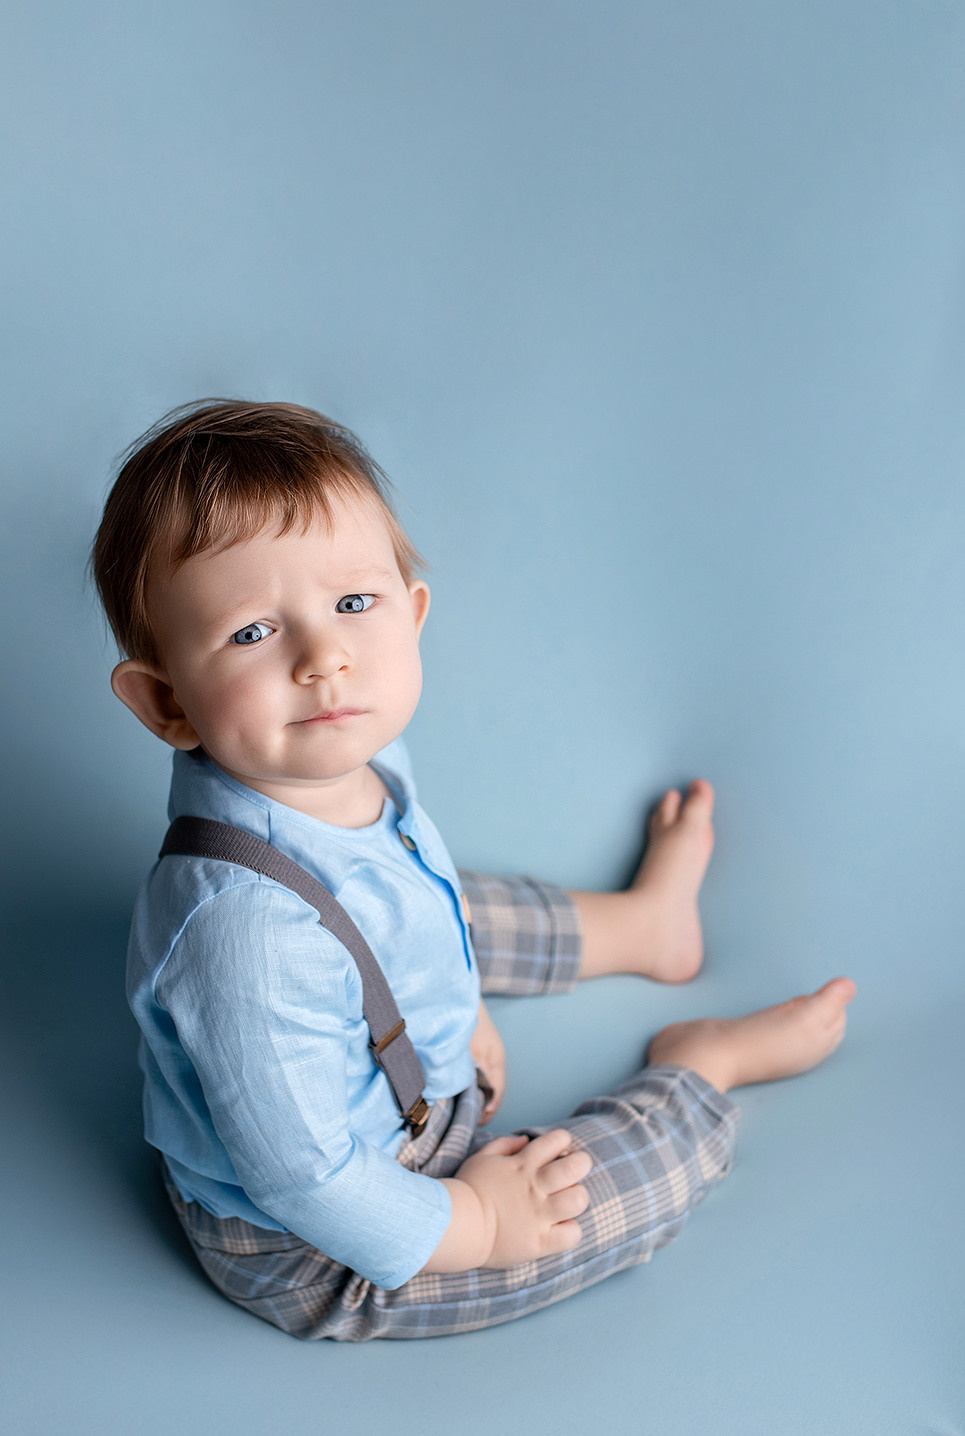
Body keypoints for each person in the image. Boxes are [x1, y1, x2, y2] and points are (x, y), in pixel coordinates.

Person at [91, 399, 856, 1341]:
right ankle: (699, 1070)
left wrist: (453, 1016)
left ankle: (637, 926)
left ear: (411, 616)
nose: (324, 657)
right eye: (252, 632)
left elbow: (422, 911)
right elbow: (307, 1179)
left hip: (389, 1056)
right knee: (596, 1210)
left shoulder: (342, 760)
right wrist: (483, 1221)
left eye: (352, 604)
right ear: (167, 701)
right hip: (324, 1241)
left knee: (438, 904)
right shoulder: (243, 935)